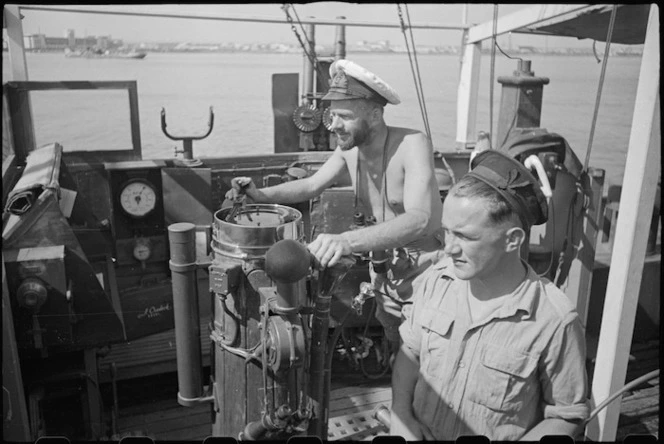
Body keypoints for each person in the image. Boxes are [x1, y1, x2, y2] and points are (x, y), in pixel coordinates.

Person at [226, 59, 444, 352]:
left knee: (425, 352)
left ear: (376, 114)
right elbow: (310, 185)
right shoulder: (349, 150)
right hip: (383, 270)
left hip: (424, 271)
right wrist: (260, 195)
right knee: (396, 343)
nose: (334, 125)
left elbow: (421, 219)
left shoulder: (413, 144)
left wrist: (345, 241)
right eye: (332, 115)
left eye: (344, 116)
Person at [390, 150, 590, 441]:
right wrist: (401, 416)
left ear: (512, 240)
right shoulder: (436, 280)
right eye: (447, 232)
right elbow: (410, 353)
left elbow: (566, 415)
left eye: (466, 237)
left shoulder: (554, 320)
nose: (449, 248)